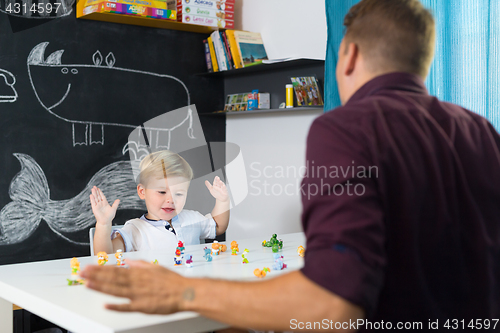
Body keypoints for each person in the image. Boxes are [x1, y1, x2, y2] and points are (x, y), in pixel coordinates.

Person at [82, 0, 500, 331]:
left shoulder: (347, 127)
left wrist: (182, 294)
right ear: (422, 62)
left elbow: (333, 304)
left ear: (349, 55)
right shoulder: (482, 130)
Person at [90, 150, 230, 254]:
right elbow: (105, 256)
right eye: (162, 192)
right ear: (142, 192)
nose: (170, 200)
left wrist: (222, 201)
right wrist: (103, 224)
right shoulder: (136, 229)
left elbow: (218, 226)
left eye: (179, 194)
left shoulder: (191, 218)